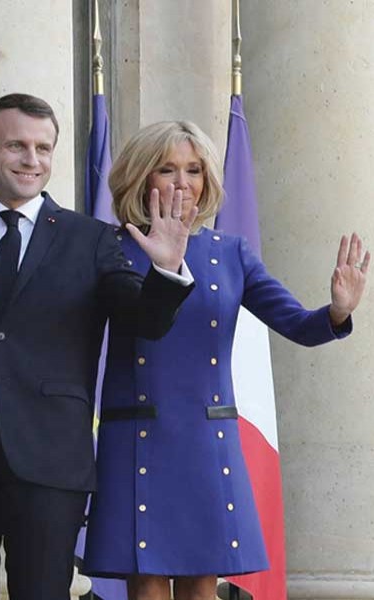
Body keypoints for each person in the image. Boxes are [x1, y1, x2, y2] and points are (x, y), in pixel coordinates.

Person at [0, 93, 197, 600]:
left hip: (50, 460)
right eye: (17, 146)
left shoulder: (90, 239)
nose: (32, 160)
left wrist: (167, 270)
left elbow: (142, 321)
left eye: (44, 148)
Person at [82, 120, 368, 600]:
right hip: (137, 435)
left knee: (201, 582)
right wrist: (164, 264)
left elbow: (297, 323)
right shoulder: (110, 247)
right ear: (140, 178)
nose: (182, 183)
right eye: (167, 169)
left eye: (193, 170)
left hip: (205, 436)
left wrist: (338, 311)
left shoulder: (228, 252)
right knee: (146, 581)